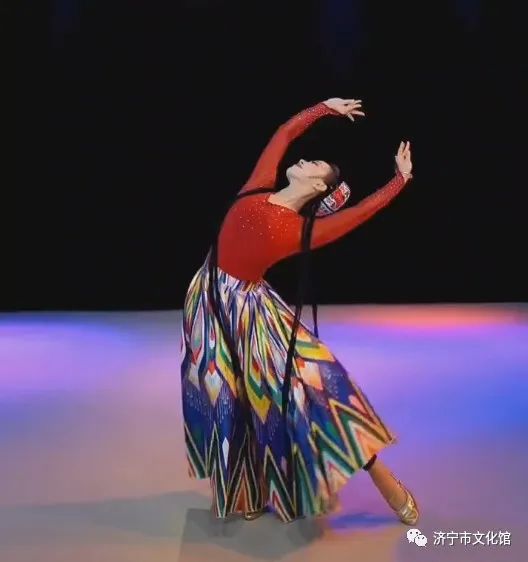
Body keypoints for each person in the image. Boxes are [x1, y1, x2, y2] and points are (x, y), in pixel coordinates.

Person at [181, 97, 418, 524]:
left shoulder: (300, 230)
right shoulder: (259, 185)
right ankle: (247, 490)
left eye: (316, 165)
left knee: (310, 389)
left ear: (320, 187)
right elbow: (285, 133)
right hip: (209, 302)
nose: (305, 160)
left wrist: (399, 181)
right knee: (227, 399)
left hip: (251, 315)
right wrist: (324, 108)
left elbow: (361, 212)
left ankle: (383, 478)